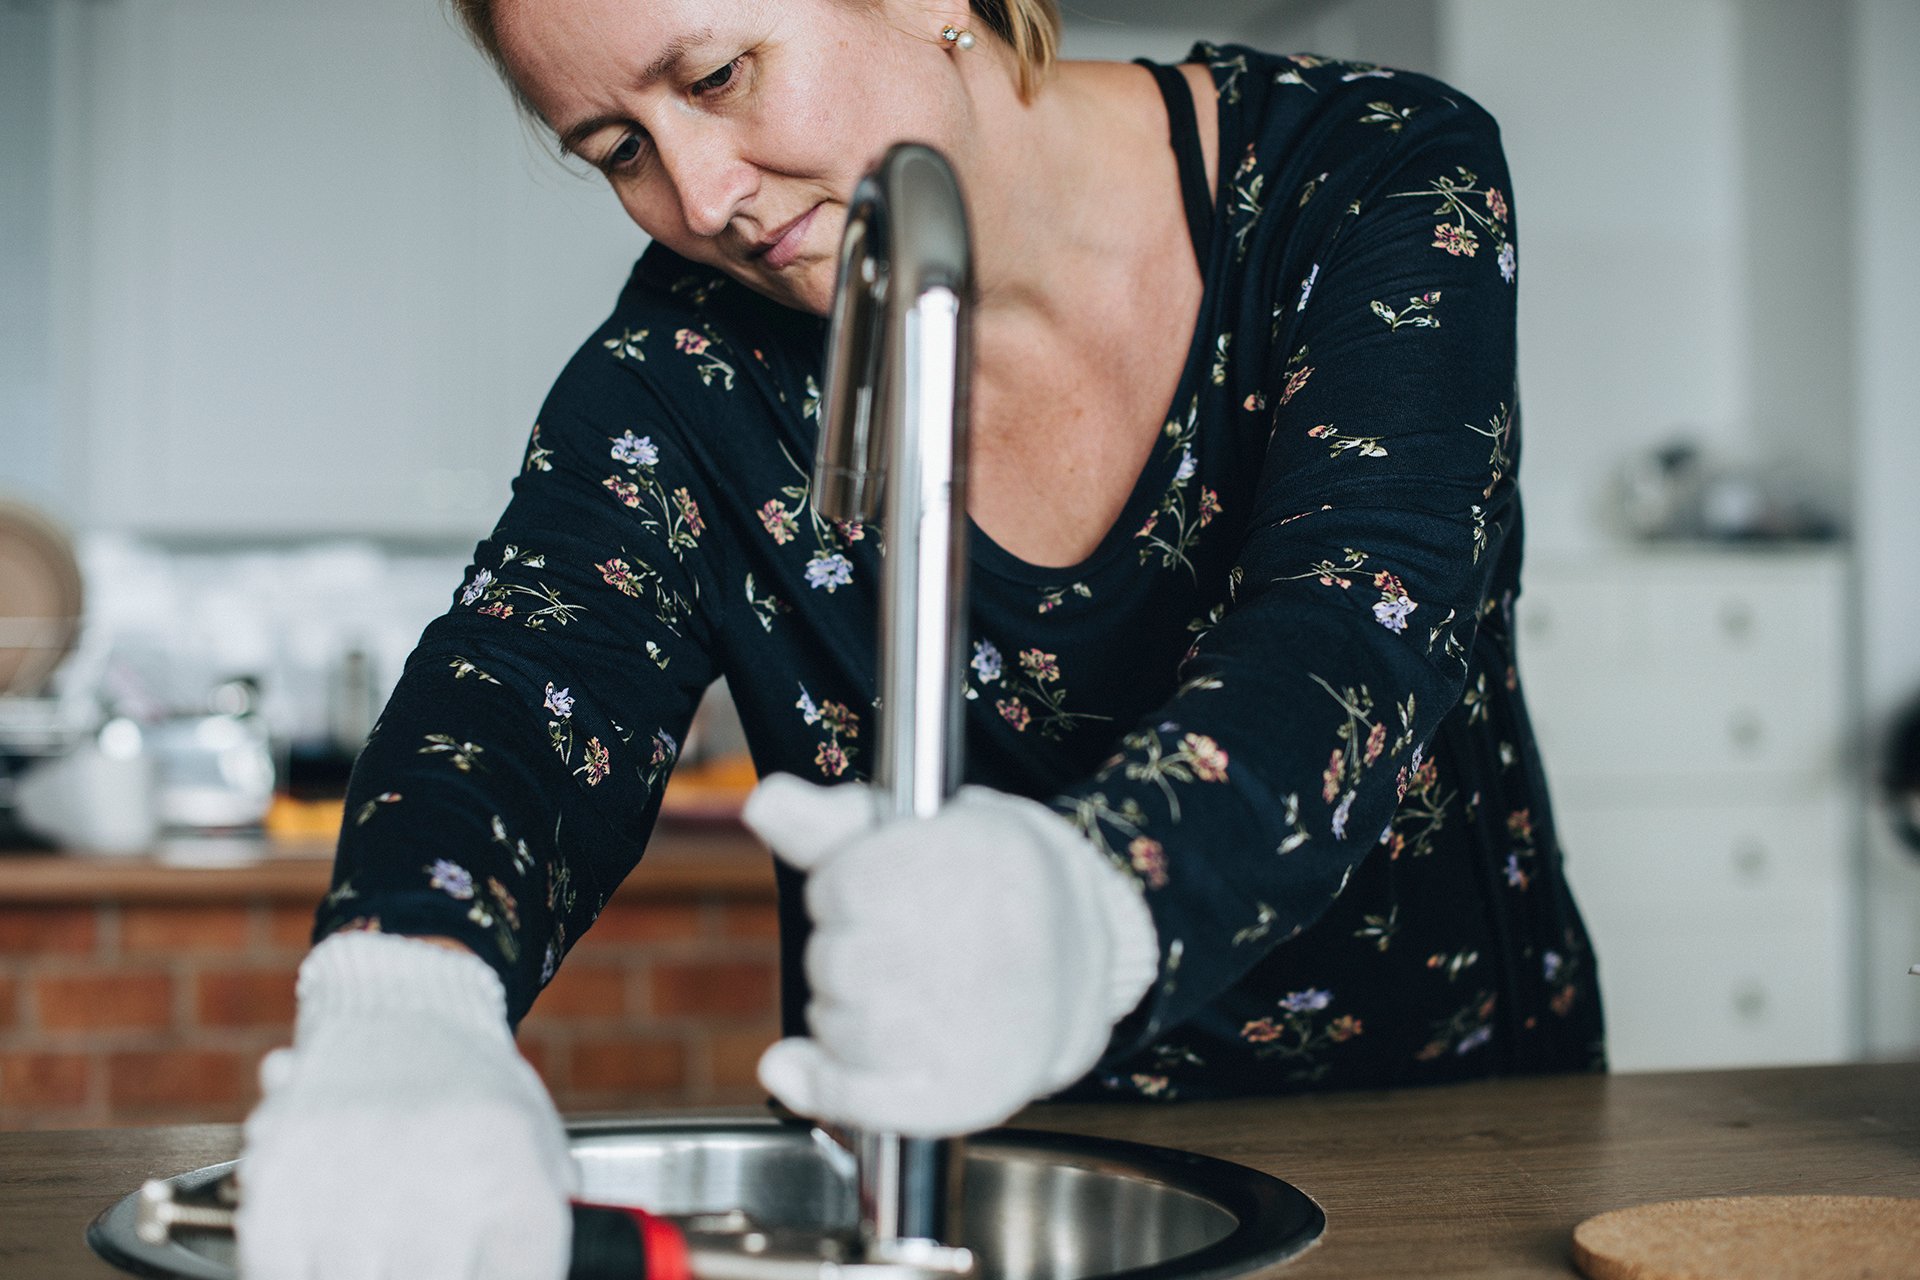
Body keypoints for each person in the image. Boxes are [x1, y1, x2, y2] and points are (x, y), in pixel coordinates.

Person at [235, 1, 1605, 1276]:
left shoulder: (1368, 176)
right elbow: (524, 685)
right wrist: (402, 1001)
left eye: (717, 76)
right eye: (618, 149)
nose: (701, 199)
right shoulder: (682, 367)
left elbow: (1357, 631)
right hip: (966, 1177)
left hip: (1447, 1154)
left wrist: (1087, 908)